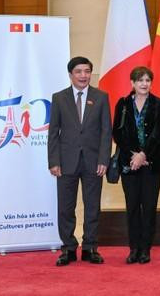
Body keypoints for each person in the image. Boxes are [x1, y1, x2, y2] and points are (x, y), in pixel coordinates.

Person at [47, 56, 112, 266]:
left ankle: (90, 247)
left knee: (93, 206)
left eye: (87, 71)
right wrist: (53, 161)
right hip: (65, 162)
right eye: (79, 72)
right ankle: (68, 248)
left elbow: (105, 131)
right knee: (66, 207)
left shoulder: (101, 97)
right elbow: (53, 133)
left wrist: (104, 158)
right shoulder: (59, 98)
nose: (83, 75)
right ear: (70, 75)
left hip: (94, 161)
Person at [112, 66, 160, 264]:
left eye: (147, 80)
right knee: (132, 206)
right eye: (140, 80)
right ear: (132, 83)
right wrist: (132, 156)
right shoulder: (123, 104)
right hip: (129, 165)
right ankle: (133, 248)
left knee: (149, 207)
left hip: (151, 164)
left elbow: (159, 133)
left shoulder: (159, 104)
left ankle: (145, 249)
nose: (144, 84)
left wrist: (143, 155)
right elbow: (117, 133)